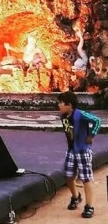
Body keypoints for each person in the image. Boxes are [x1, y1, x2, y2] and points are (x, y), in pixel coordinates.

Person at [57, 91, 101, 219]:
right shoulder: (63, 116)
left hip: (82, 151)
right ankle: (76, 196)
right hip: (71, 150)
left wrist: (91, 135)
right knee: (68, 175)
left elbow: (97, 120)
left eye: (61, 103)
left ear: (69, 105)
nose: (58, 105)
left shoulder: (80, 114)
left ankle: (89, 206)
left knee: (86, 178)